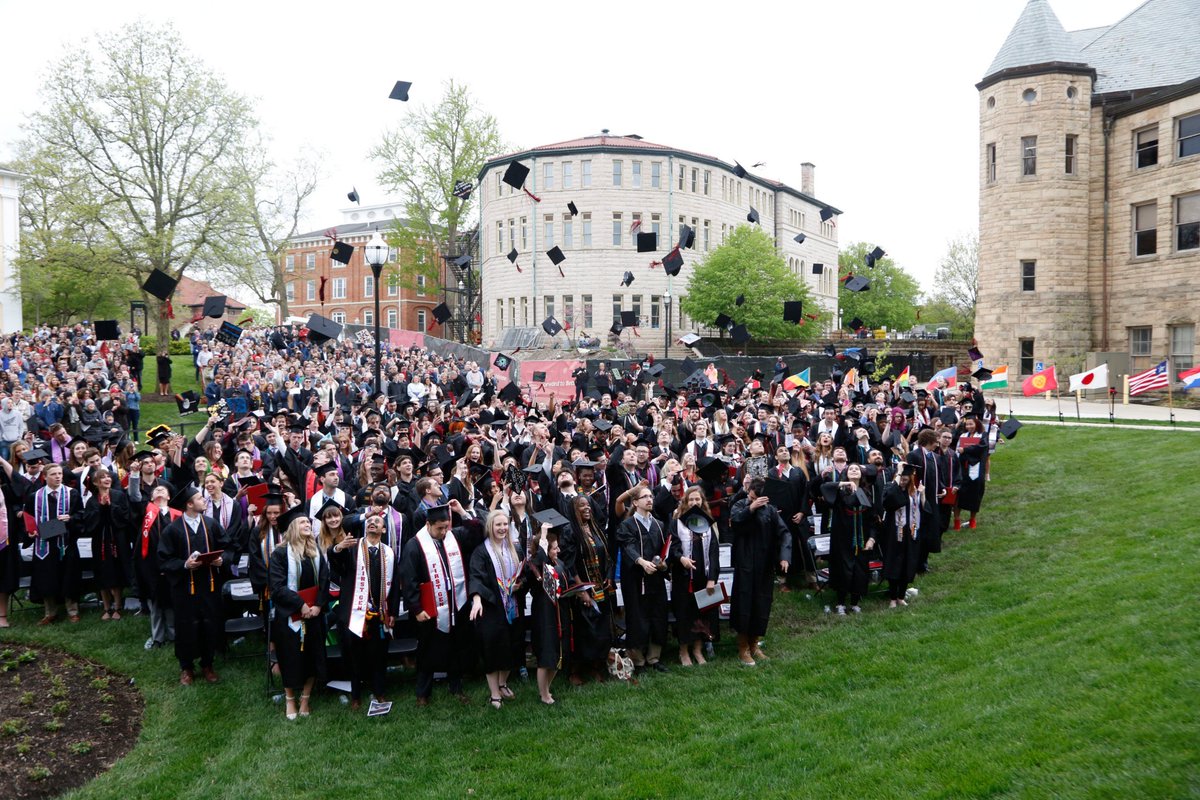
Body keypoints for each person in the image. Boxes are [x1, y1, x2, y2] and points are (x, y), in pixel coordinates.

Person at [399, 501, 477, 707]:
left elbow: (477, 532)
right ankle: (423, 694)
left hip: (456, 604)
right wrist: (416, 609)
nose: (443, 532)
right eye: (439, 528)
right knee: (427, 651)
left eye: (446, 527)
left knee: (456, 648)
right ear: (428, 524)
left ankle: (456, 687)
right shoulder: (414, 545)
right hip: (429, 609)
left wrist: (462, 512)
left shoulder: (454, 537)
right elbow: (409, 580)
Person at [159, 484, 232, 685]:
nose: (204, 500)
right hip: (185, 589)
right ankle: (187, 667)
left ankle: (208, 664)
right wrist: (184, 564)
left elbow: (227, 547)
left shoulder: (211, 524)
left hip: (209, 586)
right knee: (186, 627)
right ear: (189, 504)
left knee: (210, 623)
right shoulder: (172, 530)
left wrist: (222, 559)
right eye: (200, 498)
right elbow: (163, 560)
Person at [329, 510, 398, 711]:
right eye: (370, 521)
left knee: (379, 656)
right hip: (353, 612)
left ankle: (379, 691)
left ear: (384, 529)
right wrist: (337, 550)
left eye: (378, 521)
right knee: (354, 656)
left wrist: (392, 612)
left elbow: (393, 586)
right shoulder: (352, 548)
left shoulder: (389, 552)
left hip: (379, 613)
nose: (373, 523)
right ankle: (356, 695)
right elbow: (337, 566)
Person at [269, 515, 330, 720]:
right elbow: (276, 588)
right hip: (290, 615)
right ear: (293, 527)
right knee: (290, 657)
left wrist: (318, 605)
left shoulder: (316, 553)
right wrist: (301, 605)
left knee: (312, 656)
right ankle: (290, 699)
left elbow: (324, 581)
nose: (307, 525)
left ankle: (305, 698)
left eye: (308, 522)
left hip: (314, 614)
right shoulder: (279, 554)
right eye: (302, 522)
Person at [728, 477, 791, 666]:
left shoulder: (771, 511)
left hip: (764, 564)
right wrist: (751, 507)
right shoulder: (740, 505)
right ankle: (743, 647)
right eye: (751, 495)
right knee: (745, 602)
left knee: (761, 603)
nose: (752, 498)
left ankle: (755, 644)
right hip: (745, 563)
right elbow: (735, 521)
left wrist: (784, 556)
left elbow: (784, 532)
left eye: (756, 497)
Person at [468, 509, 525, 709]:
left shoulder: (515, 549)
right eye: (497, 525)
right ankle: (494, 693)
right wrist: (476, 599)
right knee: (493, 650)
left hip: (513, 607)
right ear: (490, 527)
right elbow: (476, 577)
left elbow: (522, 574)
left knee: (512, 647)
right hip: (491, 607)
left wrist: (519, 585)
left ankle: (502, 683)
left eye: (504, 525)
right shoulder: (482, 552)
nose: (502, 528)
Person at [615, 486, 670, 673]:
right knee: (637, 617)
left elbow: (664, 550)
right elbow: (628, 547)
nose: (649, 499)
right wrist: (641, 562)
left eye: (651, 496)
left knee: (658, 615)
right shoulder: (627, 525)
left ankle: (654, 658)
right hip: (635, 579)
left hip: (655, 578)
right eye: (644, 496)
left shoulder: (659, 525)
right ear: (635, 502)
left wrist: (663, 564)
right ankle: (637, 660)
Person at [25, 462, 84, 624]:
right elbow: (28, 519)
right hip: (43, 545)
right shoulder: (34, 496)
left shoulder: (72, 494)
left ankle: (73, 611)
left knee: (69, 576)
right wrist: (30, 532)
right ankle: (50, 613)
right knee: (46, 578)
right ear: (45, 477)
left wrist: (70, 518)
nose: (58, 476)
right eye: (54, 474)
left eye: (60, 474)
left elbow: (81, 516)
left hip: (66, 543)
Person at [671, 486, 721, 666]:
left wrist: (712, 578)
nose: (694, 503)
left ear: (702, 502)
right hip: (684, 577)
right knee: (684, 615)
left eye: (697, 500)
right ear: (685, 502)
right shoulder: (677, 522)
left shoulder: (708, 523)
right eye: (691, 500)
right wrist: (681, 558)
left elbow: (714, 553)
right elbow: (673, 548)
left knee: (702, 615)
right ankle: (683, 651)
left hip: (703, 577)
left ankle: (698, 650)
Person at [820, 464, 877, 616]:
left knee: (859, 570)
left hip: (862, 540)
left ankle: (855, 602)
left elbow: (872, 519)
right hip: (842, 540)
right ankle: (840, 603)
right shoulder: (839, 493)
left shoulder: (867, 492)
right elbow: (824, 487)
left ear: (861, 474)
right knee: (843, 571)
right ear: (845, 474)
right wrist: (845, 483)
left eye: (857, 469)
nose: (853, 470)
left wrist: (871, 539)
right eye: (850, 469)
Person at [80, 468, 133, 620]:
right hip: (100, 541)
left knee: (116, 571)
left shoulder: (119, 495)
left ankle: (117, 606)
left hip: (117, 540)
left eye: (108, 476)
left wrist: (110, 506)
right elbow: (89, 523)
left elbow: (125, 516)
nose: (107, 479)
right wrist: (101, 507)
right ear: (96, 483)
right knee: (102, 573)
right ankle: (106, 607)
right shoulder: (92, 500)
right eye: (102, 478)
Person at [527, 522, 571, 705]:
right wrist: (543, 535)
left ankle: (548, 689)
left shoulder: (558, 563)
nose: (558, 550)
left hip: (559, 613)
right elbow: (539, 559)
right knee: (546, 654)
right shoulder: (535, 566)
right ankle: (543, 693)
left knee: (557, 653)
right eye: (554, 548)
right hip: (544, 614)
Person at [880, 463, 922, 608]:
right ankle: (892, 597)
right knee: (894, 564)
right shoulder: (890, 488)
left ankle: (901, 596)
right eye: (901, 479)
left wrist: (922, 496)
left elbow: (922, 510)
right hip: (893, 534)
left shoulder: (914, 492)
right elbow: (891, 499)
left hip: (911, 533)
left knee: (907, 564)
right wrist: (898, 474)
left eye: (906, 479)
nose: (903, 481)